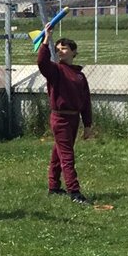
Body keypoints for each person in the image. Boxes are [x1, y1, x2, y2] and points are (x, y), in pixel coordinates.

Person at [36, 31, 94, 205]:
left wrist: (88, 124)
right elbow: (41, 62)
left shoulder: (79, 75)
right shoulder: (55, 70)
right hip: (60, 118)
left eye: (64, 48)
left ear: (74, 52)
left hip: (74, 118)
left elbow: (85, 101)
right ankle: (74, 192)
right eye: (58, 49)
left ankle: (54, 186)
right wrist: (46, 40)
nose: (60, 51)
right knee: (67, 155)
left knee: (59, 152)